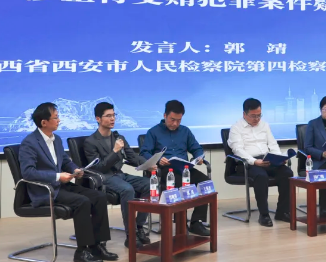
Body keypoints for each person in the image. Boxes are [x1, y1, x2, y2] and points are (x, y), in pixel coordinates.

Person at [19, 102, 118, 262]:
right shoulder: (29, 143)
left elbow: (65, 161)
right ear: (44, 122)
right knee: (82, 202)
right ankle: (82, 251)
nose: (59, 120)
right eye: (56, 118)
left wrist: (75, 170)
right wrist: (58, 176)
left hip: (62, 186)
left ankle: (98, 246)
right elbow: (28, 172)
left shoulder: (56, 139)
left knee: (99, 197)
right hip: (46, 190)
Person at [83, 102, 152, 248]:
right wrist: (114, 151)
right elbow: (99, 168)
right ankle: (130, 235)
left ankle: (139, 226)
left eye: (114, 115)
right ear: (98, 119)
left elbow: (133, 157)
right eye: (108, 116)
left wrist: (149, 163)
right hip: (104, 177)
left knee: (149, 184)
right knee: (127, 190)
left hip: (120, 175)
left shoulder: (118, 137)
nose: (112, 118)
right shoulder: (90, 142)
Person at [139, 100, 210, 236]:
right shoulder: (153, 132)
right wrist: (157, 159)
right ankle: (181, 224)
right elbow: (144, 153)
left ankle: (196, 222)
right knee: (179, 184)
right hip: (164, 171)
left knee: (205, 182)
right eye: (172, 120)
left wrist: (199, 157)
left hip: (184, 169)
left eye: (179, 120)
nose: (175, 124)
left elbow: (196, 148)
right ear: (165, 115)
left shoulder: (185, 131)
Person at [227, 98, 294, 227]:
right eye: (253, 116)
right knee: (261, 176)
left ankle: (283, 212)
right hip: (247, 163)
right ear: (244, 114)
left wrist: (279, 157)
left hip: (267, 159)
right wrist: (254, 161)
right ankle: (264, 215)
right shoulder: (236, 128)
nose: (257, 119)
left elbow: (272, 144)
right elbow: (238, 150)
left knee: (287, 173)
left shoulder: (264, 125)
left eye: (259, 115)